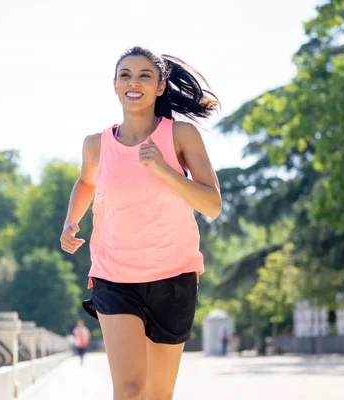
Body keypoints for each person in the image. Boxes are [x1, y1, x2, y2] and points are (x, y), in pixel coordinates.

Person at [59, 46, 221, 400]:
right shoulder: (96, 145)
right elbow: (87, 182)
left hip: (173, 277)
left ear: (161, 86)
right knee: (130, 390)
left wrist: (164, 170)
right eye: (126, 75)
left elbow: (212, 204)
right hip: (114, 278)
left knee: (157, 394)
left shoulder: (180, 135)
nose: (134, 83)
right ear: (115, 86)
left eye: (145, 75)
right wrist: (72, 221)